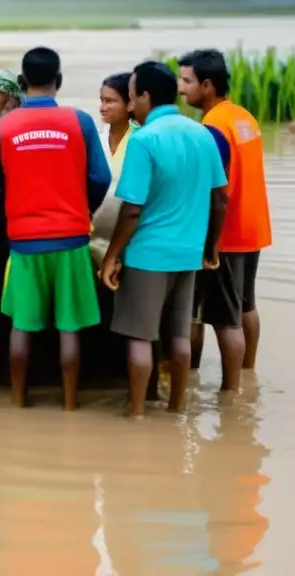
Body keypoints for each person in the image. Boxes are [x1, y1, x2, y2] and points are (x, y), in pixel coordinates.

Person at [100, 61, 228, 418]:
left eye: (132, 96)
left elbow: (131, 210)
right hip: (188, 252)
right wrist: (211, 246)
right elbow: (221, 197)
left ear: (144, 96)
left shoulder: (144, 139)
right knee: (179, 336)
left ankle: (138, 412)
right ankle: (176, 408)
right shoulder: (202, 133)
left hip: (148, 255)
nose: (131, 104)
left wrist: (112, 257)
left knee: (140, 337)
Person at [0, 47, 111, 410]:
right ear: (58, 81)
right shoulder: (81, 122)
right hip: (71, 237)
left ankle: (19, 401)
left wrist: (7, 223)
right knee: (69, 327)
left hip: (24, 240)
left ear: (22, 84)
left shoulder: (1, 127)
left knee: (22, 327)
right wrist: (81, 207)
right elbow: (101, 177)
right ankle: (70, 403)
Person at [178, 49, 272, 381]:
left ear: (207, 84)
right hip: (253, 228)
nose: (181, 88)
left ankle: (224, 394)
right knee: (246, 305)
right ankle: (248, 374)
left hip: (226, 235)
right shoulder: (244, 117)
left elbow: (215, 190)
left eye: (187, 80)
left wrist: (209, 242)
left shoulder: (214, 126)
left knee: (209, 316)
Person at [89, 72, 137, 268]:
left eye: (110, 101)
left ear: (130, 104)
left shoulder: (141, 140)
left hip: (130, 239)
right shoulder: (95, 140)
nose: (102, 107)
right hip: (94, 239)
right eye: (101, 100)